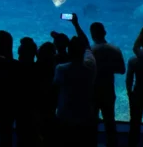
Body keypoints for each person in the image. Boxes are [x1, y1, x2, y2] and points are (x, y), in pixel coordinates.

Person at [53, 13, 96, 147]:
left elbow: (55, 88)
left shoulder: (61, 69)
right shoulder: (90, 66)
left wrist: (59, 45)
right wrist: (76, 24)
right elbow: (86, 45)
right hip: (85, 114)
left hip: (65, 115)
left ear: (69, 51)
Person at [89, 22, 125, 147]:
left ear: (92, 35)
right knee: (110, 121)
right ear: (105, 33)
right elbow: (122, 70)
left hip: (93, 91)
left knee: (92, 122)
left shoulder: (90, 51)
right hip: (108, 90)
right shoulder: (115, 49)